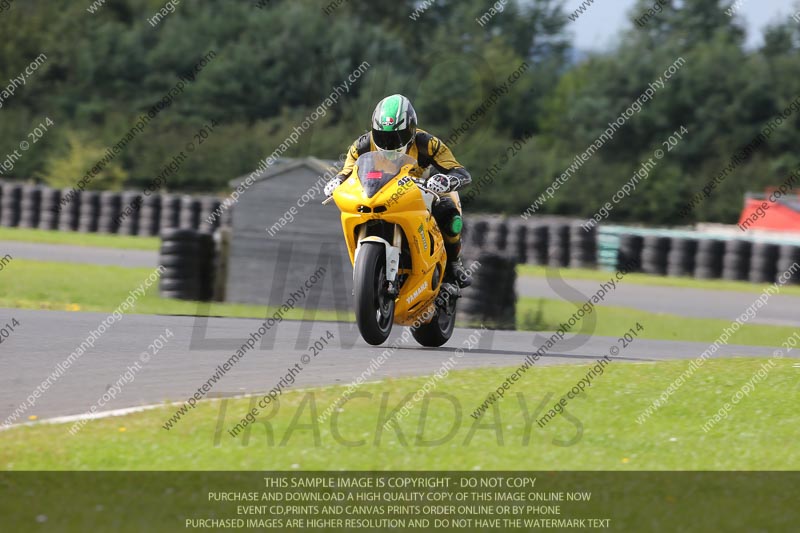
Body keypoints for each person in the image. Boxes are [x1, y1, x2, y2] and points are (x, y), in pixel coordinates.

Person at [324, 94, 473, 287]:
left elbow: (461, 172)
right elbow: (347, 171)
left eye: (396, 137)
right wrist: (336, 181)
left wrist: (446, 180)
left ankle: (454, 264)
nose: (388, 143)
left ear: (411, 129)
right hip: (380, 194)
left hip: (421, 193)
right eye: (382, 136)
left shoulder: (428, 143)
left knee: (450, 215)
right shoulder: (361, 145)